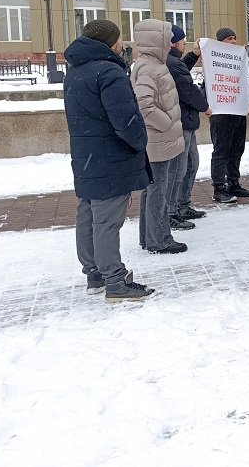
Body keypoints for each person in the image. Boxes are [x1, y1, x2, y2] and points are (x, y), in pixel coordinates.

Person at [64, 19, 155, 301]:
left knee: (88, 214)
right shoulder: (108, 71)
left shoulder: (75, 70)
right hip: (111, 157)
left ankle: (94, 273)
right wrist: (140, 141)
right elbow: (125, 119)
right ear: (112, 42)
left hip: (86, 154)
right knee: (106, 220)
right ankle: (115, 280)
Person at [131, 19, 187, 255]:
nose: (171, 43)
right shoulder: (149, 67)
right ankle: (160, 240)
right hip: (158, 140)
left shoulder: (151, 64)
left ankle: (149, 237)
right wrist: (166, 124)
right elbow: (143, 104)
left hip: (159, 139)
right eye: (167, 38)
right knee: (158, 192)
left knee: (153, 190)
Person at [166, 25, 210, 231]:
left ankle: (183, 205)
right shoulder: (172, 63)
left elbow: (182, 71)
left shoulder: (173, 62)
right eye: (182, 39)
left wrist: (193, 55)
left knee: (191, 164)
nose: (185, 42)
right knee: (180, 168)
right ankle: (172, 211)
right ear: (173, 42)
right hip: (182, 121)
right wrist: (205, 106)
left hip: (187, 120)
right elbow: (186, 88)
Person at [209, 27, 249, 203]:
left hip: (238, 113)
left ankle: (233, 183)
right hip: (221, 114)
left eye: (234, 38)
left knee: (237, 150)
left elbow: (246, 83)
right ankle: (219, 188)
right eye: (229, 38)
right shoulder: (213, 61)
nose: (234, 41)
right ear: (220, 42)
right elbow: (210, 86)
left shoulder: (239, 61)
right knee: (221, 152)